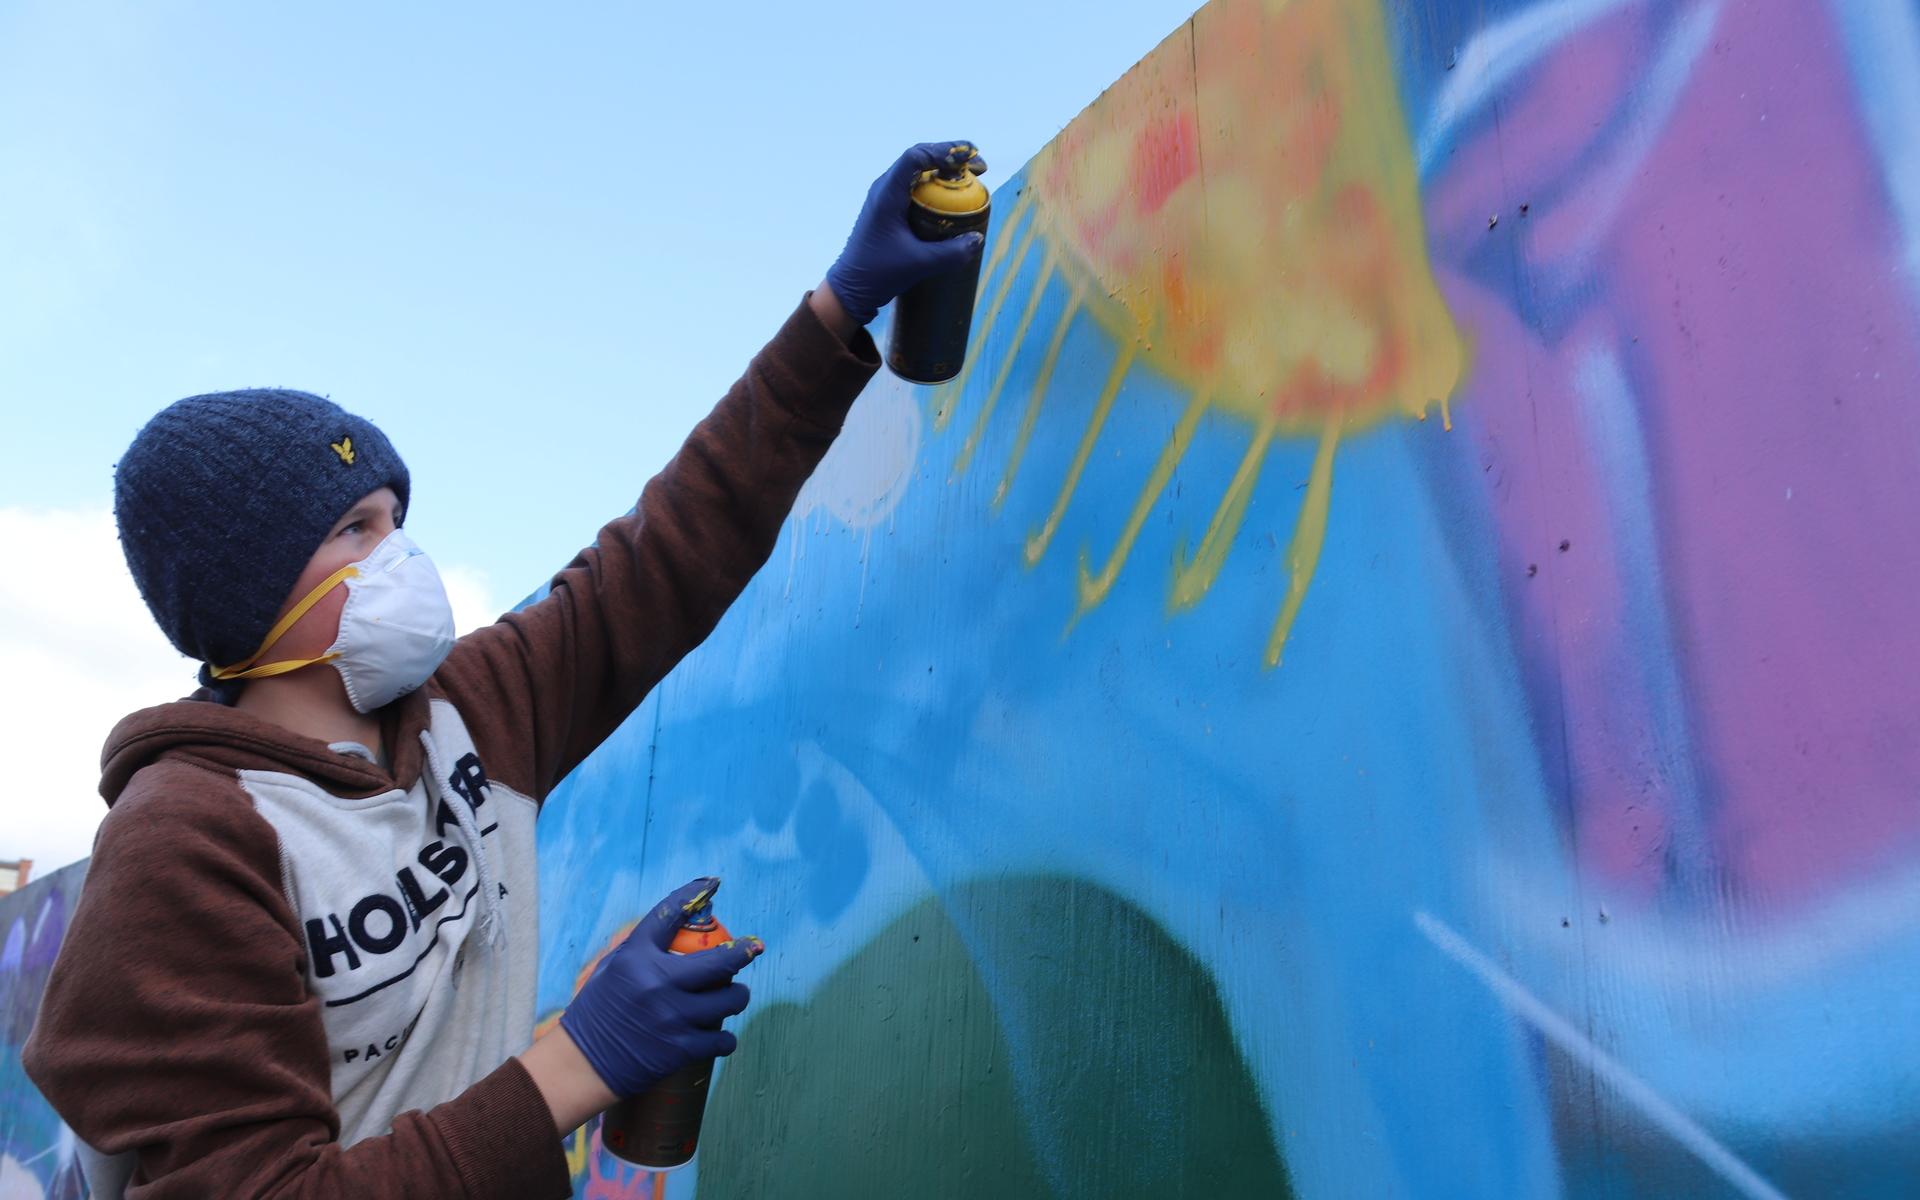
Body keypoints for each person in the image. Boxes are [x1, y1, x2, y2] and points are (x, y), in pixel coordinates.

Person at [23, 141, 986, 1199]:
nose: (402, 559)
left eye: (398, 520)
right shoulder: (186, 841)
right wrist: (580, 1063)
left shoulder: (472, 711)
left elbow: (671, 544)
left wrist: (837, 308)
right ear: (251, 600)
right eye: (355, 529)